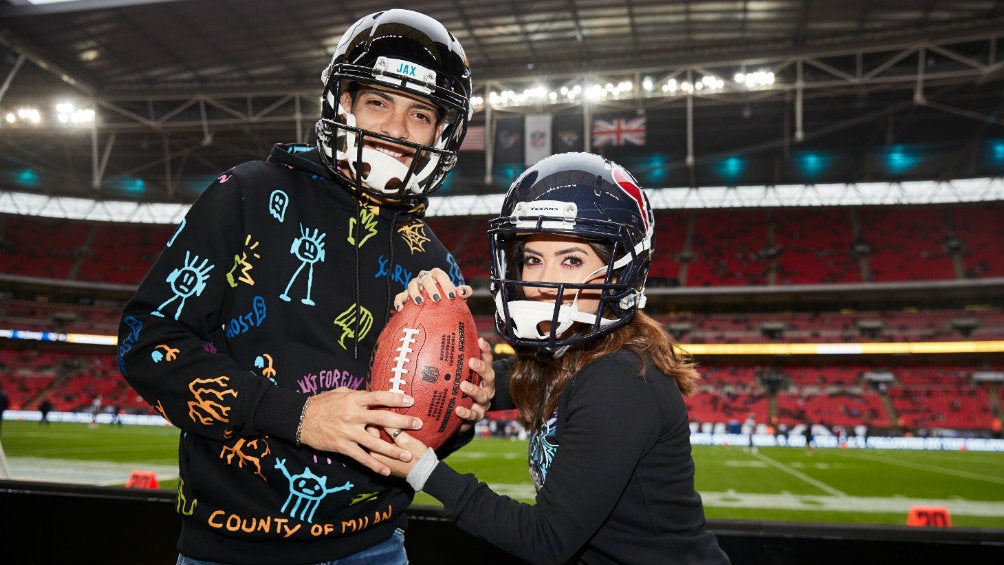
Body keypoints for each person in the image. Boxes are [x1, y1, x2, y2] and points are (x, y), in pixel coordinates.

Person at [117, 10, 495, 565]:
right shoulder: (246, 195)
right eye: (378, 102)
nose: (395, 129)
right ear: (343, 103)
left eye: (420, 113)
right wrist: (298, 416)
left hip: (375, 546)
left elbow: (415, 433)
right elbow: (144, 343)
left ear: (443, 131)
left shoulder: (434, 264)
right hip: (230, 549)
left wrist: (460, 409)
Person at [383, 153, 730, 564]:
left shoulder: (619, 381)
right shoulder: (573, 356)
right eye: (532, 259)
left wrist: (425, 471)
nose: (541, 281)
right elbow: (523, 375)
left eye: (571, 259)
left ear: (619, 273)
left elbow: (545, 540)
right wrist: (456, 356)